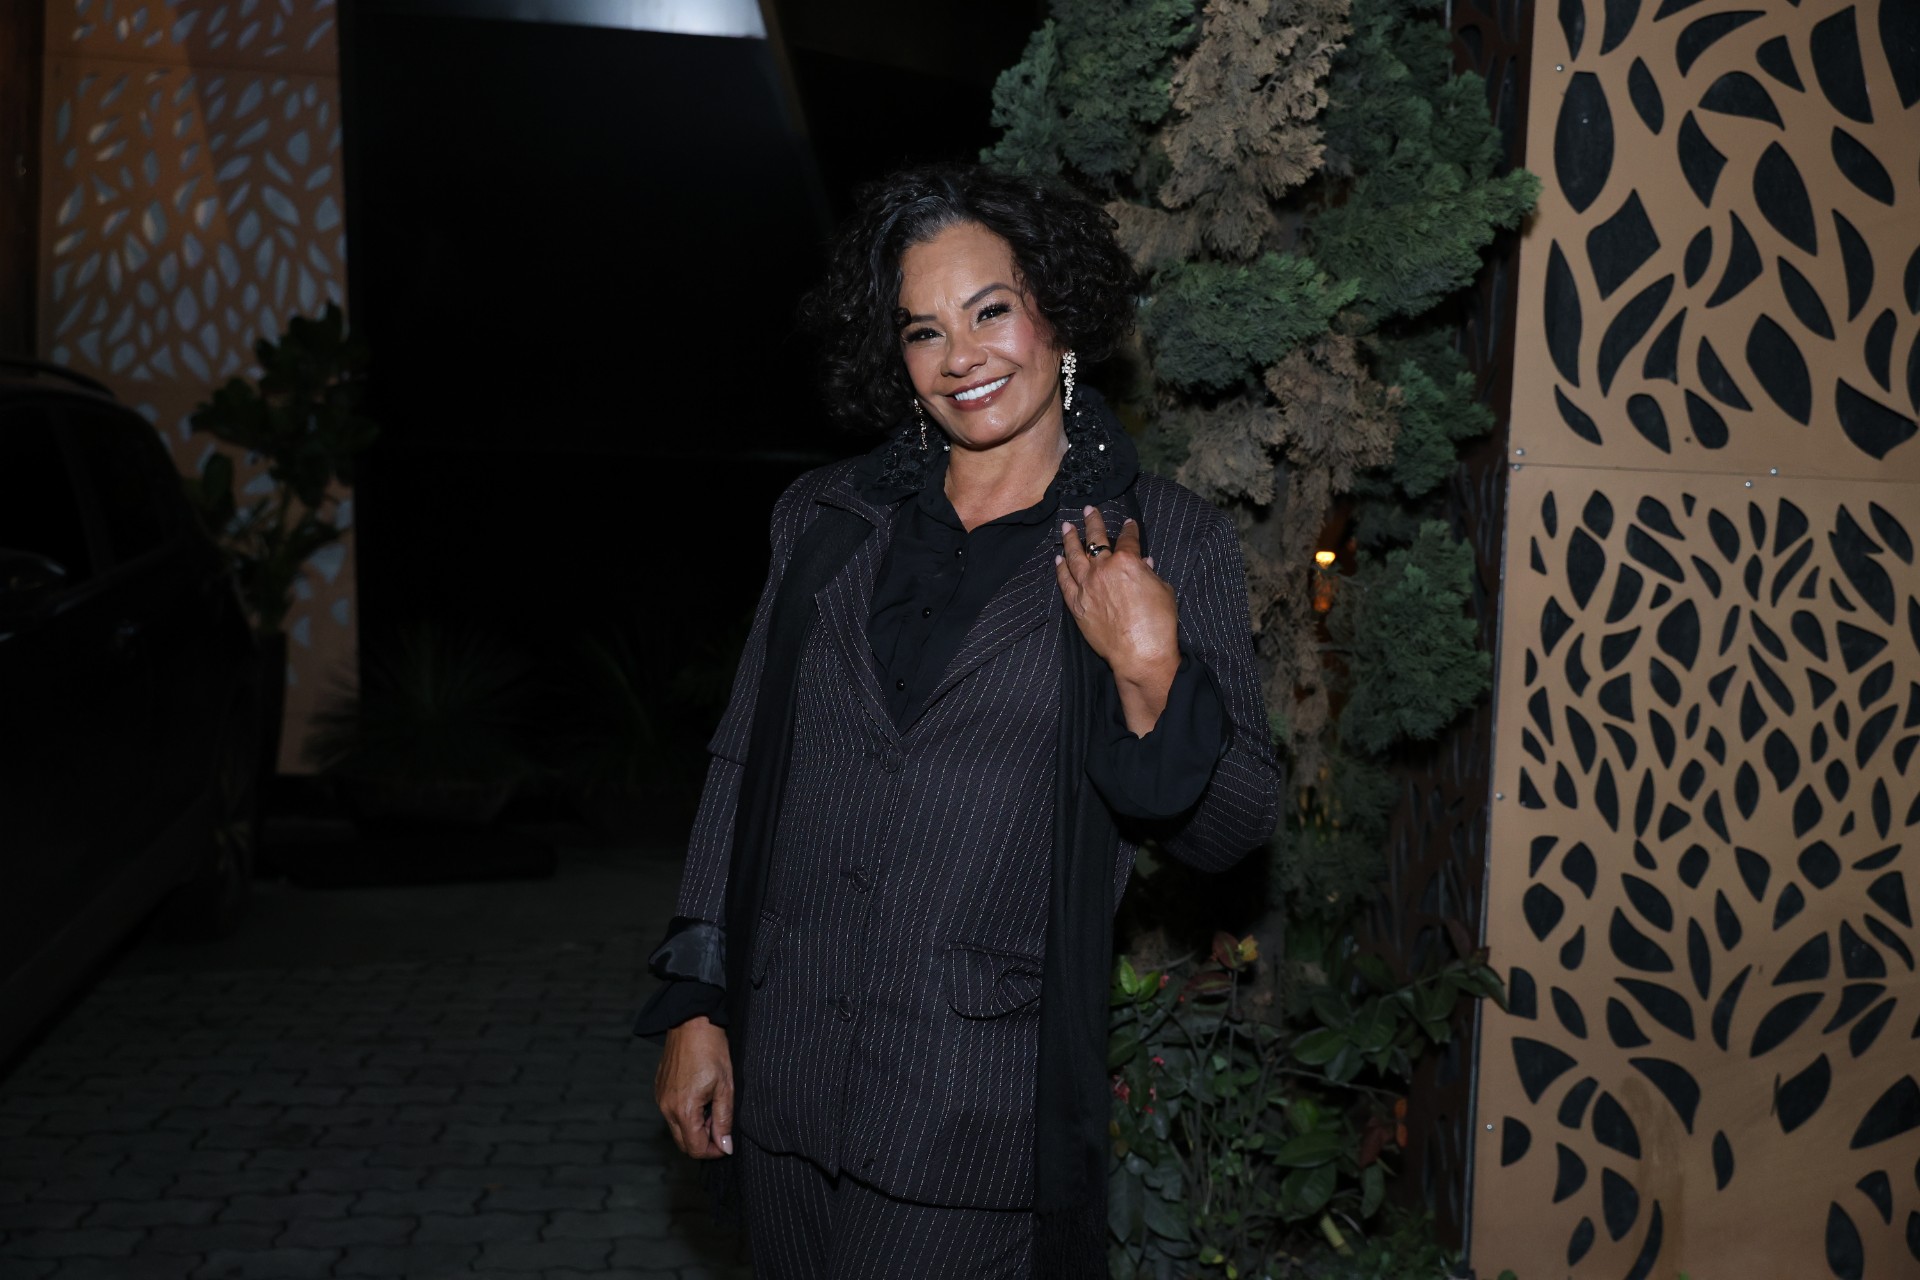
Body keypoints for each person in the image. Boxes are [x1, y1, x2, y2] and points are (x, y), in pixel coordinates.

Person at [634, 164, 1282, 1279]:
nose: (960, 357)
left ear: (1057, 313)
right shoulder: (826, 519)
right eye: (923, 331)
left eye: (991, 312)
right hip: (785, 1072)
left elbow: (1232, 828)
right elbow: (742, 765)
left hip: (971, 1102)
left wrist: (1150, 669)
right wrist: (698, 1002)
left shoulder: (1165, 539)